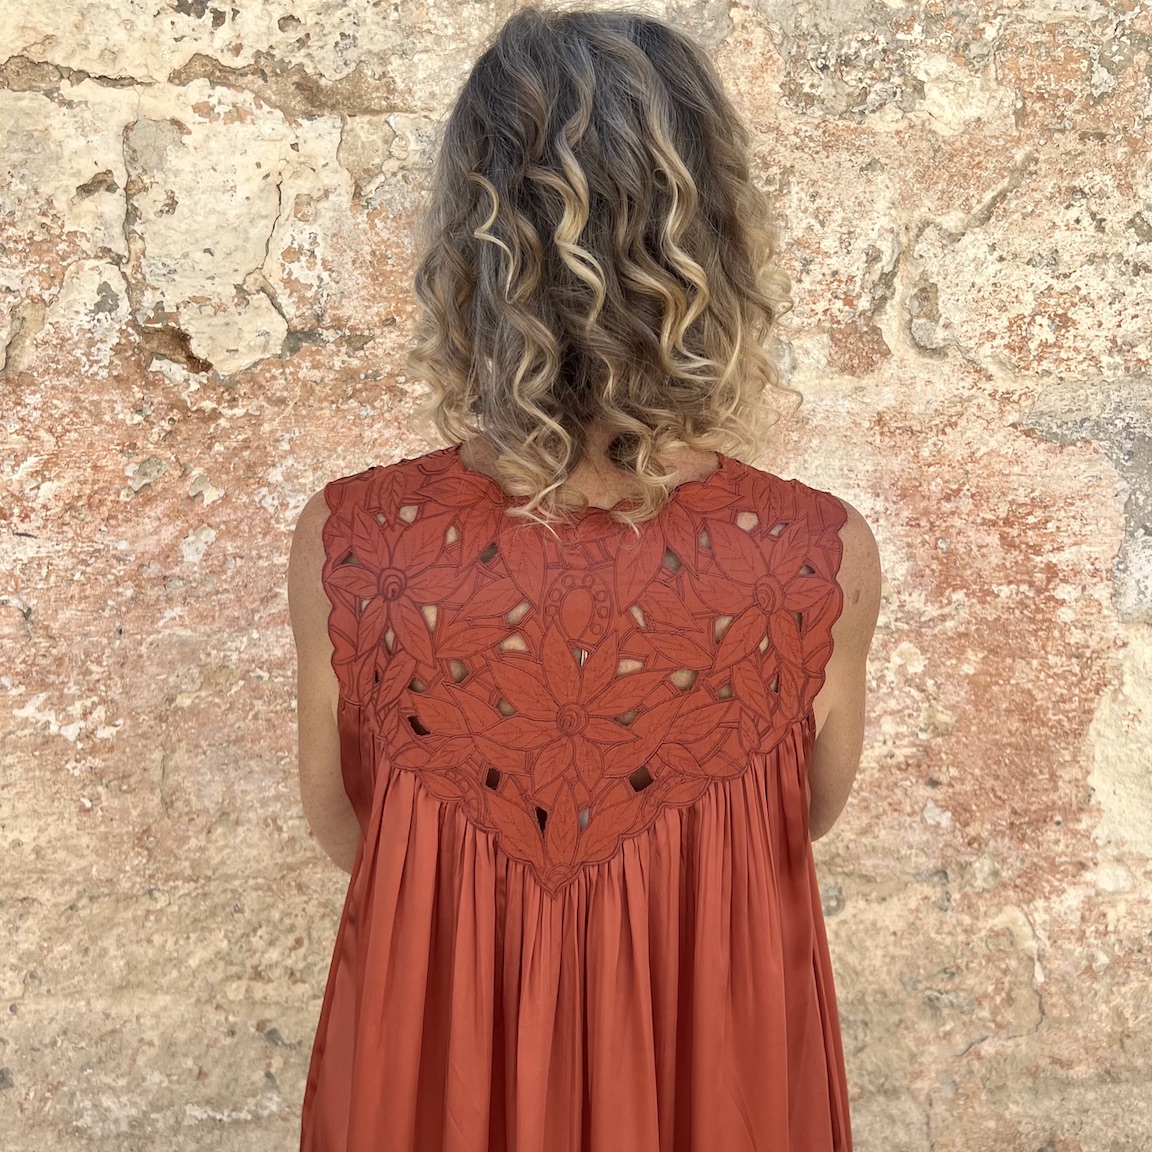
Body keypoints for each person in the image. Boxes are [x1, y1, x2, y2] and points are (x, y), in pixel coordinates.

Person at [287, 5, 882, 1149]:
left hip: (439, 1072)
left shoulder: (353, 547)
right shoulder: (817, 558)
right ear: (711, 249)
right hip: (713, 1077)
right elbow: (803, 815)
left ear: (471, 253)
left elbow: (345, 818)